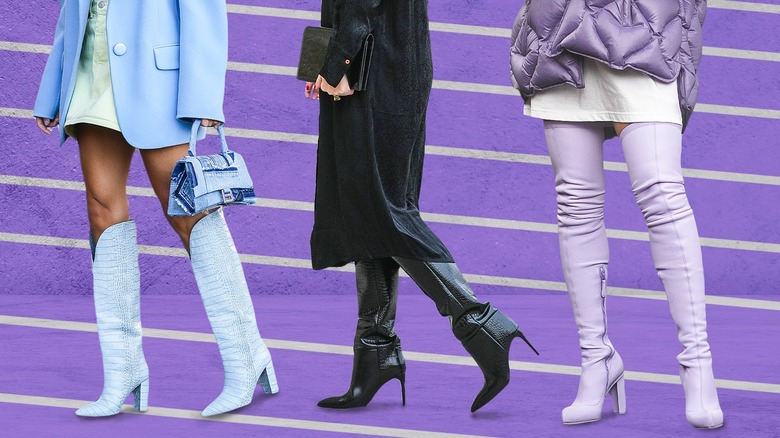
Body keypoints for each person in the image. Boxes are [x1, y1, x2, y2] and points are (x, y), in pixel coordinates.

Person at [33, 0, 277, 417]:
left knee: (189, 214)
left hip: (156, 81)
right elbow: (69, 15)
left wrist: (203, 97)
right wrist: (53, 86)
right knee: (101, 213)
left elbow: (204, 12)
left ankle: (246, 355)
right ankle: (123, 370)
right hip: (91, 78)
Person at [304, 0, 538, 413]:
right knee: (370, 213)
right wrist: (327, 60)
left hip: (372, 75)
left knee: (384, 210)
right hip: (390, 67)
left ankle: (480, 322)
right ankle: (376, 355)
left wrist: (337, 60)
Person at [510, 0, 723, 429]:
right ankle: (596, 361)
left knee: (663, 195)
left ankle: (698, 366)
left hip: (644, 24)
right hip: (564, 29)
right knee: (576, 203)